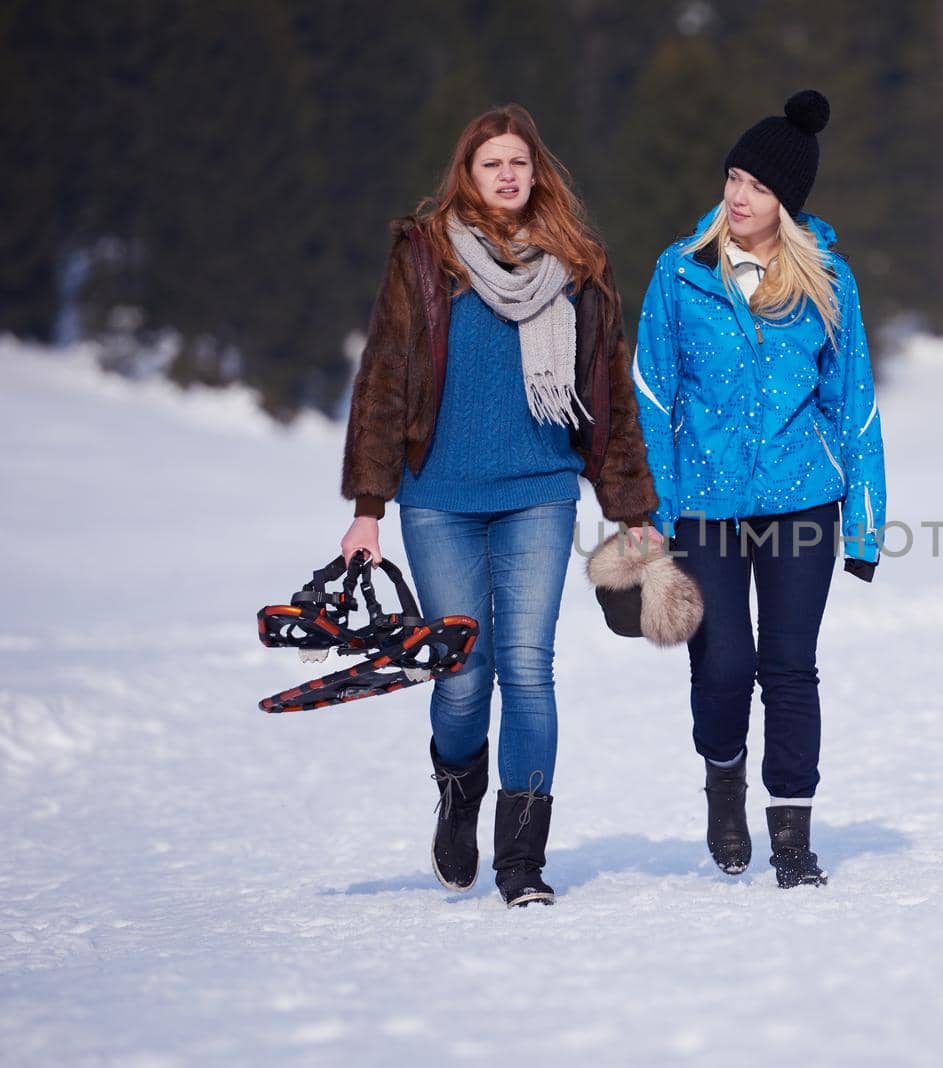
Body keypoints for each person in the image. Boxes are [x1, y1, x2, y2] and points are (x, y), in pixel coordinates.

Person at [339, 104, 659, 908]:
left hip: (538, 493)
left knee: (528, 668)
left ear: (536, 171)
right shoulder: (425, 256)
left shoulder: (579, 263)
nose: (508, 175)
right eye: (492, 164)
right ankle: (458, 790)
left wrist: (630, 508)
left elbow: (609, 391)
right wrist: (368, 506)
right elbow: (383, 375)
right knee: (461, 673)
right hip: (438, 497)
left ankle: (522, 861)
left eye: (519, 162)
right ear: (468, 175)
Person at [631, 90, 887, 888]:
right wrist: (652, 518)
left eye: (759, 187)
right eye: (735, 177)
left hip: (803, 500)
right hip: (704, 505)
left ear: (788, 203)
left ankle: (792, 837)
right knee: (722, 663)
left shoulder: (829, 282)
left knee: (788, 666)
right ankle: (723, 777)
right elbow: (652, 397)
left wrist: (865, 526)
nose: (738, 196)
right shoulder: (679, 274)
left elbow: (856, 405)